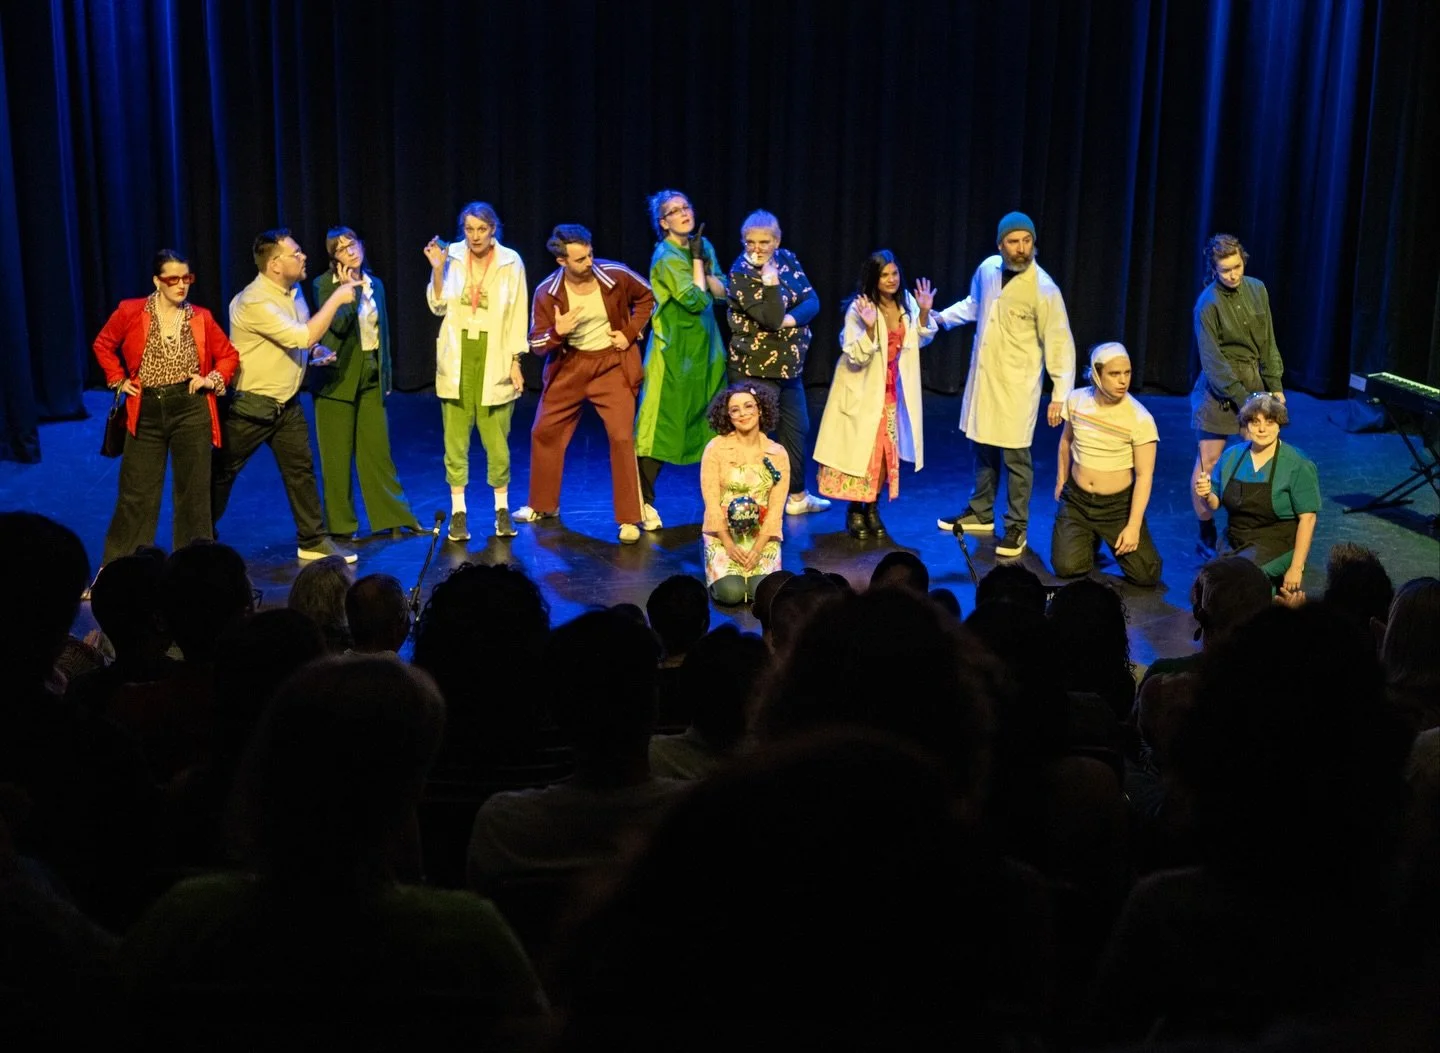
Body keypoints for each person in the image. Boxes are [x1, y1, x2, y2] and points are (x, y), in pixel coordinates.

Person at [212, 229, 360, 563]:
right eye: (296, 253)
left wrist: (316, 350)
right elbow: (301, 335)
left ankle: (312, 540)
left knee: (301, 472)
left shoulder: (292, 291)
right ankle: (199, 535)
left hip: (286, 404)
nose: (304, 256)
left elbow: (302, 339)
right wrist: (337, 298)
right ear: (275, 264)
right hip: (253, 405)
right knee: (221, 473)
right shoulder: (254, 302)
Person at [934, 212, 1076, 560]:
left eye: (1027, 241)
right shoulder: (987, 270)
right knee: (982, 446)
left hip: (1017, 386)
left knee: (1016, 458)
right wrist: (941, 319)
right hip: (985, 380)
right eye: (1014, 242)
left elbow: (1059, 342)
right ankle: (981, 512)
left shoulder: (1044, 288)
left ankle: (1016, 526)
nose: (1021, 248)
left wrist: (1060, 395)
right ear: (1001, 245)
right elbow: (974, 305)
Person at [92, 249, 239, 565]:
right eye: (173, 279)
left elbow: (228, 355)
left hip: (190, 408)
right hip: (146, 409)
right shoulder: (132, 311)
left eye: (187, 278)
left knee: (193, 497)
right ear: (157, 281)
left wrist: (211, 379)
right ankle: (119, 571)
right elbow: (103, 344)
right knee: (136, 495)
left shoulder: (200, 316)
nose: (182, 285)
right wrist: (117, 379)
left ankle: (194, 571)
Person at [514, 225, 655, 543]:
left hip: (611, 365)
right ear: (562, 261)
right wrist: (558, 332)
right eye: (580, 259)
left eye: (590, 255)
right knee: (544, 431)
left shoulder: (614, 274)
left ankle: (629, 518)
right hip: (570, 366)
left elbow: (646, 297)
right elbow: (537, 343)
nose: (589, 262)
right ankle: (543, 505)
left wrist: (629, 332)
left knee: (622, 436)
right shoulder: (547, 292)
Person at [423, 202, 529, 542]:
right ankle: (459, 512)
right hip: (459, 353)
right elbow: (437, 305)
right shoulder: (451, 256)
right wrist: (437, 269)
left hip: (494, 352)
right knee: (455, 440)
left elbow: (518, 314)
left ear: (493, 229)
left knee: (497, 440)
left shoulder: (510, 261)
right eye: (469, 229)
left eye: (482, 229)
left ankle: (501, 509)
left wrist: (516, 360)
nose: (475, 236)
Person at [814, 250, 937, 539]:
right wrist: (870, 330)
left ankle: (872, 507)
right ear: (874, 278)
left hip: (892, 391)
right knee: (863, 452)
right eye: (884, 275)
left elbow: (919, 339)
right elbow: (854, 355)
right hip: (863, 389)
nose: (891, 279)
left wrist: (923, 312)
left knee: (884, 453)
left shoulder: (906, 303)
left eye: (894, 273)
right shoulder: (860, 308)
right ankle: (856, 509)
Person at [310, 226, 419, 540]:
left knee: (377, 450)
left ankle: (394, 517)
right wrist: (349, 293)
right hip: (337, 379)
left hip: (370, 373)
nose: (351, 251)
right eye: (342, 249)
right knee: (337, 456)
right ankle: (342, 526)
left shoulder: (376, 284)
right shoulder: (324, 285)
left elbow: (382, 334)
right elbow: (339, 327)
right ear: (334, 257)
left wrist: (386, 375)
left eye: (353, 244)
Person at [726, 210, 829, 516]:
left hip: (789, 368)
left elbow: (812, 301)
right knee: (755, 437)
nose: (757, 248)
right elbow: (769, 317)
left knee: (796, 430)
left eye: (764, 242)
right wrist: (771, 283)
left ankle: (797, 496)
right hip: (753, 368)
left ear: (777, 240)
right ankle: (752, 504)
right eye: (750, 242)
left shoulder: (788, 259)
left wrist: (789, 320)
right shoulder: (741, 272)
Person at [634, 190, 728, 529]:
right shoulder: (666, 256)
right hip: (674, 354)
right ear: (663, 222)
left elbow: (723, 292)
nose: (684, 213)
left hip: (706, 351)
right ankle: (642, 502)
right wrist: (700, 265)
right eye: (674, 211)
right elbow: (696, 299)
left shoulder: (703, 246)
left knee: (712, 425)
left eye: (686, 206)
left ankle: (723, 502)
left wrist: (704, 265)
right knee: (662, 426)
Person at [1190, 233, 1285, 558]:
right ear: (1214, 270)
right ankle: (1205, 533)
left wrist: (1275, 385)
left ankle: (1246, 528)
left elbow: (1268, 343)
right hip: (1218, 389)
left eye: (1237, 267)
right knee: (1209, 461)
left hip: (1253, 380)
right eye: (1225, 270)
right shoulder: (1207, 304)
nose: (1233, 275)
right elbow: (1213, 362)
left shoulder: (1258, 289)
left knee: (1256, 458)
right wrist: (1245, 398)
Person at [1051, 343, 1162, 586]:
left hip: (1117, 506)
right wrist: (1061, 479)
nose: (1123, 380)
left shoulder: (1140, 418)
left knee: (1146, 575)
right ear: (1096, 375)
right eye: (1114, 374)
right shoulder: (1076, 400)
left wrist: (1133, 526)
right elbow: (1066, 441)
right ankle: (1087, 536)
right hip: (1077, 500)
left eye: (1127, 373)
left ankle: (1101, 534)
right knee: (1067, 567)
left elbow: (1144, 476)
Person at [1194, 393, 1319, 596]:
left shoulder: (1297, 463)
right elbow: (1215, 504)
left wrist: (1296, 567)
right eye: (1255, 422)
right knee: (1210, 585)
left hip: (1276, 542)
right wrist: (1207, 494)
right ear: (1246, 424)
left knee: (1243, 585)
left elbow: (1308, 518)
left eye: (1269, 422)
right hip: (1235, 539)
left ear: (1279, 425)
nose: (1262, 429)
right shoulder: (1232, 456)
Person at [699, 385, 790, 606]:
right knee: (732, 594)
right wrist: (728, 544)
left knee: (763, 593)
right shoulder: (715, 449)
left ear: (760, 409)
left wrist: (758, 548)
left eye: (749, 406)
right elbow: (711, 502)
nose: (743, 414)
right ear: (728, 416)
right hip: (724, 534)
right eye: (735, 410)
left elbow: (776, 509)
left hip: (762, 535)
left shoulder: (777, 453)